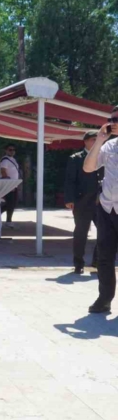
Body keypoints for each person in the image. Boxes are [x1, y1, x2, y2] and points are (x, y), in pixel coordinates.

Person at [83, 107, 118, 314]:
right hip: (107, 208)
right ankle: (104, 299)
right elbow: (88, 168)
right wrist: (99, 140)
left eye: (117, 119)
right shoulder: (110, 146)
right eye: (111, 119)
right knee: (104, 258)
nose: (113, 122)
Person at [64, 130, 102, 274]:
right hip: (82, 201)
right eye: (93, 139)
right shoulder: (76, 158)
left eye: (97, 140)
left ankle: (97, 260)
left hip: (101, 202)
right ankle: (78, 263)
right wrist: (69, 199)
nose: (95, 142)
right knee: (81, 233)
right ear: (85, 141)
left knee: (106, 232)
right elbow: (70, 180)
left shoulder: (104, 156)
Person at [0, 144, 21, 229]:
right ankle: (8, 221)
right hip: (8, 185)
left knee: (12, 203)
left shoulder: (13, 160)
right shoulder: (5, 160)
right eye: (10, 149)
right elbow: (3, 171)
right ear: (6, 150)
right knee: (10, 203)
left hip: (14, 184)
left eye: (13, 150)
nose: (12, 151)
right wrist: (8, 185)